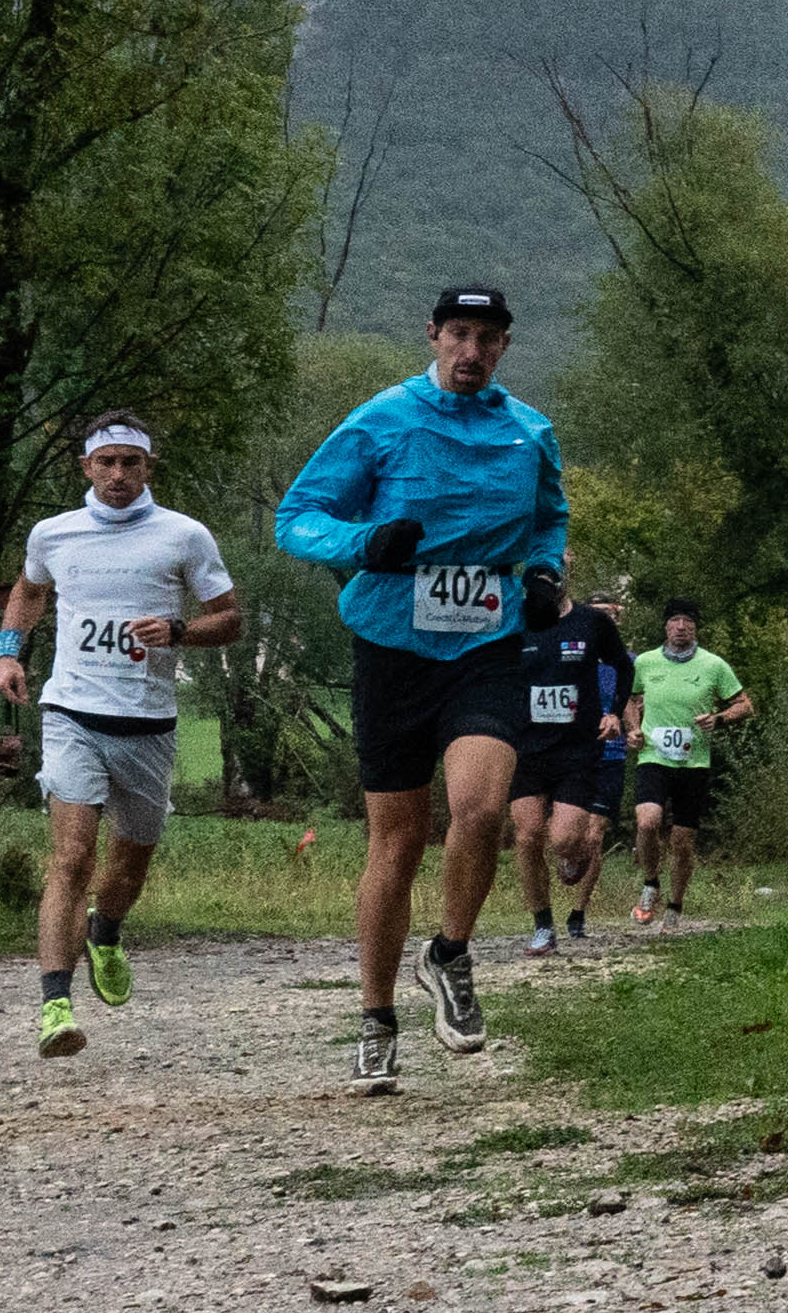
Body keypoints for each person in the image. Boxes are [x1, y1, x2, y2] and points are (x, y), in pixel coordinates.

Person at [277, 285, 571, 1089]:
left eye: (488, 338)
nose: (472, 351)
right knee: (398, 841)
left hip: (487, 643)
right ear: (434, 336)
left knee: (481, 807)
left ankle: (449, 954)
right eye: (459, 334)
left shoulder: (530, 431)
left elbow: (550, 517)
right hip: (392, 646)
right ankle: (376, 1018)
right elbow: (297, 517)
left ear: (505, 346)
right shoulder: (383, 419)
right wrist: (365, 541)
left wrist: (545, 571)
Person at [0, 416, 240, 1060]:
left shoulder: (184, 535)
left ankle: (105, 931)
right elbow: (29, 589)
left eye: (131, 462)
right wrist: (9, 653)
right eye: (106, 462)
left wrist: (180, 632)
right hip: (71, 712)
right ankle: (55, 1006)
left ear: (148, 468)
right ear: (86, 468)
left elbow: (230, 619)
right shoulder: (53, 533)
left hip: (148, 724)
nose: (118, 474)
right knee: (72, 858)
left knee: (127, 866)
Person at [507, 578, 631, 956]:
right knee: (527, 836)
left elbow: (623, 666)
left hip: (577, 748)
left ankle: (576, 852)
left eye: (553, 575)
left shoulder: (592, 622)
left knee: (563, 839)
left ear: (565, 579)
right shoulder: (515, 620)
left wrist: (614, 713)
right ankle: (543, 925)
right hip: (527, 747)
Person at [624, 602, 753, 925]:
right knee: (647, 822)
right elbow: (628, 698)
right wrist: (634, 728)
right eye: (675, 620)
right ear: (666, 626)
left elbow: (745, 705)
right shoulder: (645, 662)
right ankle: (651, 882)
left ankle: (675, 905)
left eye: (687, 621)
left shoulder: (713, 665)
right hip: (653, 756)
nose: (681, 626)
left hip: (693, 763)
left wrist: (719, 719)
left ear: (695, 628)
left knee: (682, 841)